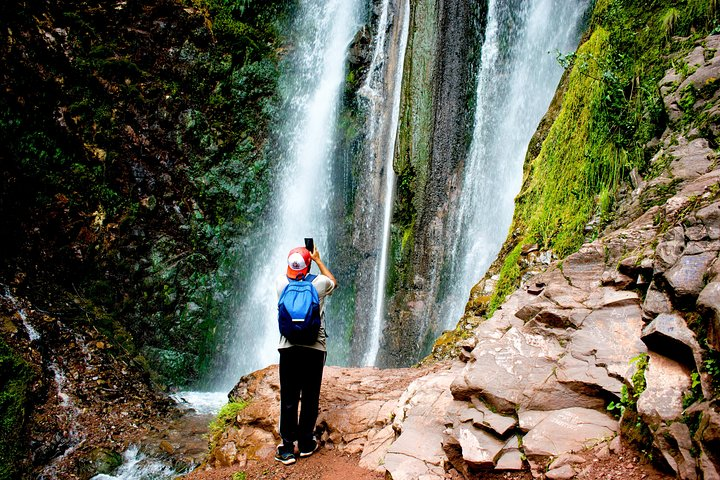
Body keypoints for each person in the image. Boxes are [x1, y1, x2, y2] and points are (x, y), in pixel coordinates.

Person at [273, 244, 337, 465]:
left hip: (288, 348)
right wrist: (318, 260)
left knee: (289, 398)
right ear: (308, 264)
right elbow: (333, 282)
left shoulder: (281, 283)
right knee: (310, 396)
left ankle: (287, 448)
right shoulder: (319, 283)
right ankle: (307, 443)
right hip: (314, 348)